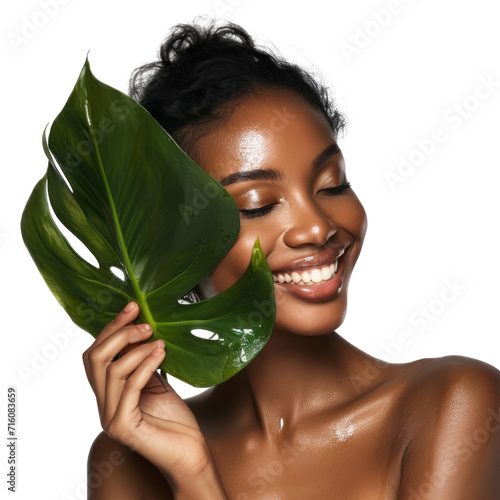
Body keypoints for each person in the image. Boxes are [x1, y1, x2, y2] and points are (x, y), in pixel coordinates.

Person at [83, 21, 500, 499]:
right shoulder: (129, 461)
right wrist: (190, 469)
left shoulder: (454, 402)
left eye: (332, 184)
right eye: (258, 204)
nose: (318, 227)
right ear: (173, 250)